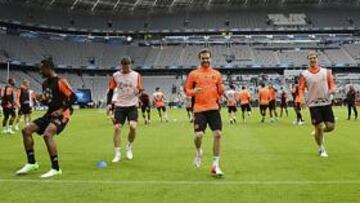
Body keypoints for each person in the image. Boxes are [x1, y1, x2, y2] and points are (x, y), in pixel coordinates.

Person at [16, 58, 76, 178]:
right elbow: (48, 100)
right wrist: (41, 98)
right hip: (50, 113)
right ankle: (32, 163)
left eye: (41, 69)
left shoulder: (61, 81)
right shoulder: (44, 84)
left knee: (48, 134)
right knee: (26, 130)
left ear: (48, 68)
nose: (39, 72)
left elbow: (73, 97)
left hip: (63, 114)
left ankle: (56, 168)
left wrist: (61, 110)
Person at [184, 49, 224, 177]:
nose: (205, 60)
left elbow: (220, 90)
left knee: (217, 134)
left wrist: (221, 91)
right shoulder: (193, 74)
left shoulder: (217, 74)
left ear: (211, 58)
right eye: (203, 58)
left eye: (207, 58)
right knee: (199, 136)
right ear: (199, 59)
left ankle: (215, 165)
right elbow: (187, 90)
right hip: (199, 109)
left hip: (213, 108)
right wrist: (193, 91)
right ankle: (198, 151)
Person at [299, 51, 336, 157]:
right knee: (318, 126)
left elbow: (332, 85)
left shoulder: (326, 72)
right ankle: (321, 148)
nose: (312, 59)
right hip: (314, 104)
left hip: (326, 103)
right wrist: (302, 100)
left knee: (331, 127)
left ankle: (318, 133)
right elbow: (301, 89)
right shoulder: (304, 74)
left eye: (314, 57)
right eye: (310, 58)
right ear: (308, 60)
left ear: (317, 59)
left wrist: (333, 90)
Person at [107, 56, 143, 163]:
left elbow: (140, 90)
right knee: (117, 128)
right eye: (124, 67)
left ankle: (129, 147)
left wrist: (138, 93)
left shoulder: (136, 75)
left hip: (132, 105)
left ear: (130, 65)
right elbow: (110, 90)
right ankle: (117, 153)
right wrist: (109, 104)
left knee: (132, 127)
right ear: (121, 65)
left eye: (128, 67)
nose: (126, 69)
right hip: (120, 105)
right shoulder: (116, 76)